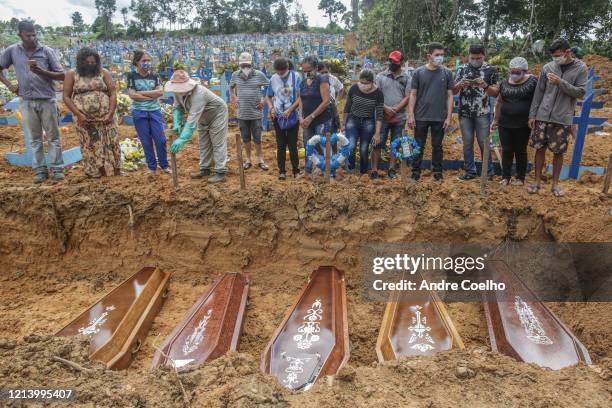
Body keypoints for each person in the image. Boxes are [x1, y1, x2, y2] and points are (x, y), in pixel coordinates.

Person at [0, 21, 65, 183]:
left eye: (34, 34)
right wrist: (10, 85)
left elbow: (62, 74)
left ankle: (57, 169)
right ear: (20, 35)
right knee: (34, 138)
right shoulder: (13, 51)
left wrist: (43, 72)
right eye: (28, 35)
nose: (32, 38)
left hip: (47, 99)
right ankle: (40, 171)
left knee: (53, 136)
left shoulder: (46, 51)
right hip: (26, 100)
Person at [528, 38, 588, 197]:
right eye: (553, 56)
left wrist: (561, 82)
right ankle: (537, 181)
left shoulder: (580, 68)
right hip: (542, 115)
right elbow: (539, 92)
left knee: (558, 152)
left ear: (568, 52)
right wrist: (533, 114)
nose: (556, 59)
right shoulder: (547, 67)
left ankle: (555, 185)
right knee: (539, 149)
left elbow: (581, 93)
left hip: (562, 117)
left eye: (558, 55)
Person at [63, 47, 121, 178]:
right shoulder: (72, 74)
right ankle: (98, 172)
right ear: (80, 62)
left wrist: (110, 113)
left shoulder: (103, 73)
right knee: (90, 143)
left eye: (93, 63)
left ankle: (117, 170)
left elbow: (112, 92)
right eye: (87, 63)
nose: (90, 65)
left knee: (112, 141)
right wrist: (79, 115)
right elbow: (66, 97)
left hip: (106, 116)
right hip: (84, 118)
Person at [166, 70, 228, 183]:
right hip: (202, 116)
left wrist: (181, 139)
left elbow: (191, 122)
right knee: (204, 142)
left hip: (217, 114)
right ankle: (205, 169)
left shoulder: (199, 93)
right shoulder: (177, 92)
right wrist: (176, 123)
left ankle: (220, 172)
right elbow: (177, 108)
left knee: (217, 142)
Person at [407, 43, 454, 181]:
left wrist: (449, 117)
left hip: (440, 117)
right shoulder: (418, 72)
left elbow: (450, 96)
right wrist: (411, 115)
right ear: (429, 56)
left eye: (442, 55)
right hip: (421, 116)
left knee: (437, 146)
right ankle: (415, 173)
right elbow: (413, 94)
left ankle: (437, 173)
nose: (440, 57)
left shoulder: (447, 73)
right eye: (437, 55)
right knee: (418, 146)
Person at [488, 57, 538, 186]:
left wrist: (534, 117)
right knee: (507, 150)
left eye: (518, 72)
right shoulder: (504, 83)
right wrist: (495, 119)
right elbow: (499, 101)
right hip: (505, 122)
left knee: (520, 150)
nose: (514, 74)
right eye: (512, 72)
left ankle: (520, 178)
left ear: (525, 71)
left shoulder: (532, 82)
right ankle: (506, 177)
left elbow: (538, 99)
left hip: (523, 123)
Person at [453, 44, 499, 181]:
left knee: (484, 142)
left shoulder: (491, 70)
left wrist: (485, 85)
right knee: (467, 142)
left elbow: (496, 92)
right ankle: (470, 171)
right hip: (465, 113)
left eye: (478, 58)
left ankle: (488, 172)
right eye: (472, 58)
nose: (475, 60)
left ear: (483, 56)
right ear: (468, 56)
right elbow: (453, 90)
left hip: (483, 112)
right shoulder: (461, 69)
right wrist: (460, 84)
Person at [127, 50, 170, 175]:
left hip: (154, 111)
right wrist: (151, 95)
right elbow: (132, 95)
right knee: (146, 141)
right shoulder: (132, 76)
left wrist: (140, 93)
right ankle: (151, 167)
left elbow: (160, 92)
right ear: (137, 62)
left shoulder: (155, 75)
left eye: (148, 61)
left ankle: (164, 165)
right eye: (144, 61)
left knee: (160, 139)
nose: (147, 63)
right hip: (139, 112)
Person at [371, 51, 412, 179]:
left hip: (399, 117)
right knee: (377, 143)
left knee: (396, 143)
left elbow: (408, 96)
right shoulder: (380, 77)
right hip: (382, 117)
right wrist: (386, 109)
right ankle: (374, 170)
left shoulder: (407, 78)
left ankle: (391, 169)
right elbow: (376, 95)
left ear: (401, 62)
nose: (392, 63)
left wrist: (395, 109)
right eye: (390, 60)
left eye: (395, 61)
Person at [230, 52, 270, 171]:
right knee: (245, 138)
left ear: (251, 63)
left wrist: (264, 99)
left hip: (256, 113)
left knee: (257, 138)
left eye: (247, 64)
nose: (245, 67)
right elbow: (231, 87)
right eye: (242, 65)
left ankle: (260, 159)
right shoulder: (235, 75)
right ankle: (248, 160)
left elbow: (269, 87)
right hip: (242, 113)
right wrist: (233, 97)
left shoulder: (259, 75)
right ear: (239, 65)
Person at [265, 57, 302, 180]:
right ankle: (282, 171)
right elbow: (268, 96)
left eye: (282, 72)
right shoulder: (273, 78)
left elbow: (300, 97)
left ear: (287, 68)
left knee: (292, 144)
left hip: (292, 116)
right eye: (277, 72)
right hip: (278, 116)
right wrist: (271, 108)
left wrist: (290, 110)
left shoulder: (296, 76)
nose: (279, 74)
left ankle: (296, 170)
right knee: (280, 144)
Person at [343, 69, 383, 175]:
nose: (363, 85)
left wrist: (377, 133)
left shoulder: (378, 93)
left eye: (366, 83)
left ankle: (363, 172)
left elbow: (379, 115)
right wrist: (343, 124)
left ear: (372, 82)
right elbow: (347, 107)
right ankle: (351, 168)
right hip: (353, 120)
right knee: (350, 146)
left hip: (368, 122)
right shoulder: (354, 88)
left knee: (364, 149)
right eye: (361, 82)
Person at [298, 56, 331, 173]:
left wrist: (311, 117)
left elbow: (326, 101)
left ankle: (323, 169)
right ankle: (308, 169)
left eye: (309, 70)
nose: (307, 73)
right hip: (306, 120)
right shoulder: (302, 82)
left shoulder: (322, 79)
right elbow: (301, 100)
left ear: (316, 68)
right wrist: (301, 117)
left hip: (320, 120)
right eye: (304, 71)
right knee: (308, 144)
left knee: (320, 143)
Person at [317, 61, 344, 133]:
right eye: (322, 73)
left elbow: (341, 88)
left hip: (331, 108)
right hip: (319, 108)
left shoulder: (333, 78)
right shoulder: (316, 80)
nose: (325, 74)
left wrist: (337, 101)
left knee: (331, 129)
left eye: (326, 72)